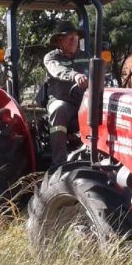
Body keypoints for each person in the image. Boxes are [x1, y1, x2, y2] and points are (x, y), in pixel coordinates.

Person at [43, 20, 88, 167]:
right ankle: (59, 164)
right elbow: (58, 70)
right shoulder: (51, 58)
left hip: (84, 101)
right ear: (59, 40)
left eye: (76, 38)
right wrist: (75, 75)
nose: (74, 41)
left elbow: (97, 72)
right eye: (70, 38)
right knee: (59, 109)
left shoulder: (86, 56)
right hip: (62, 101)